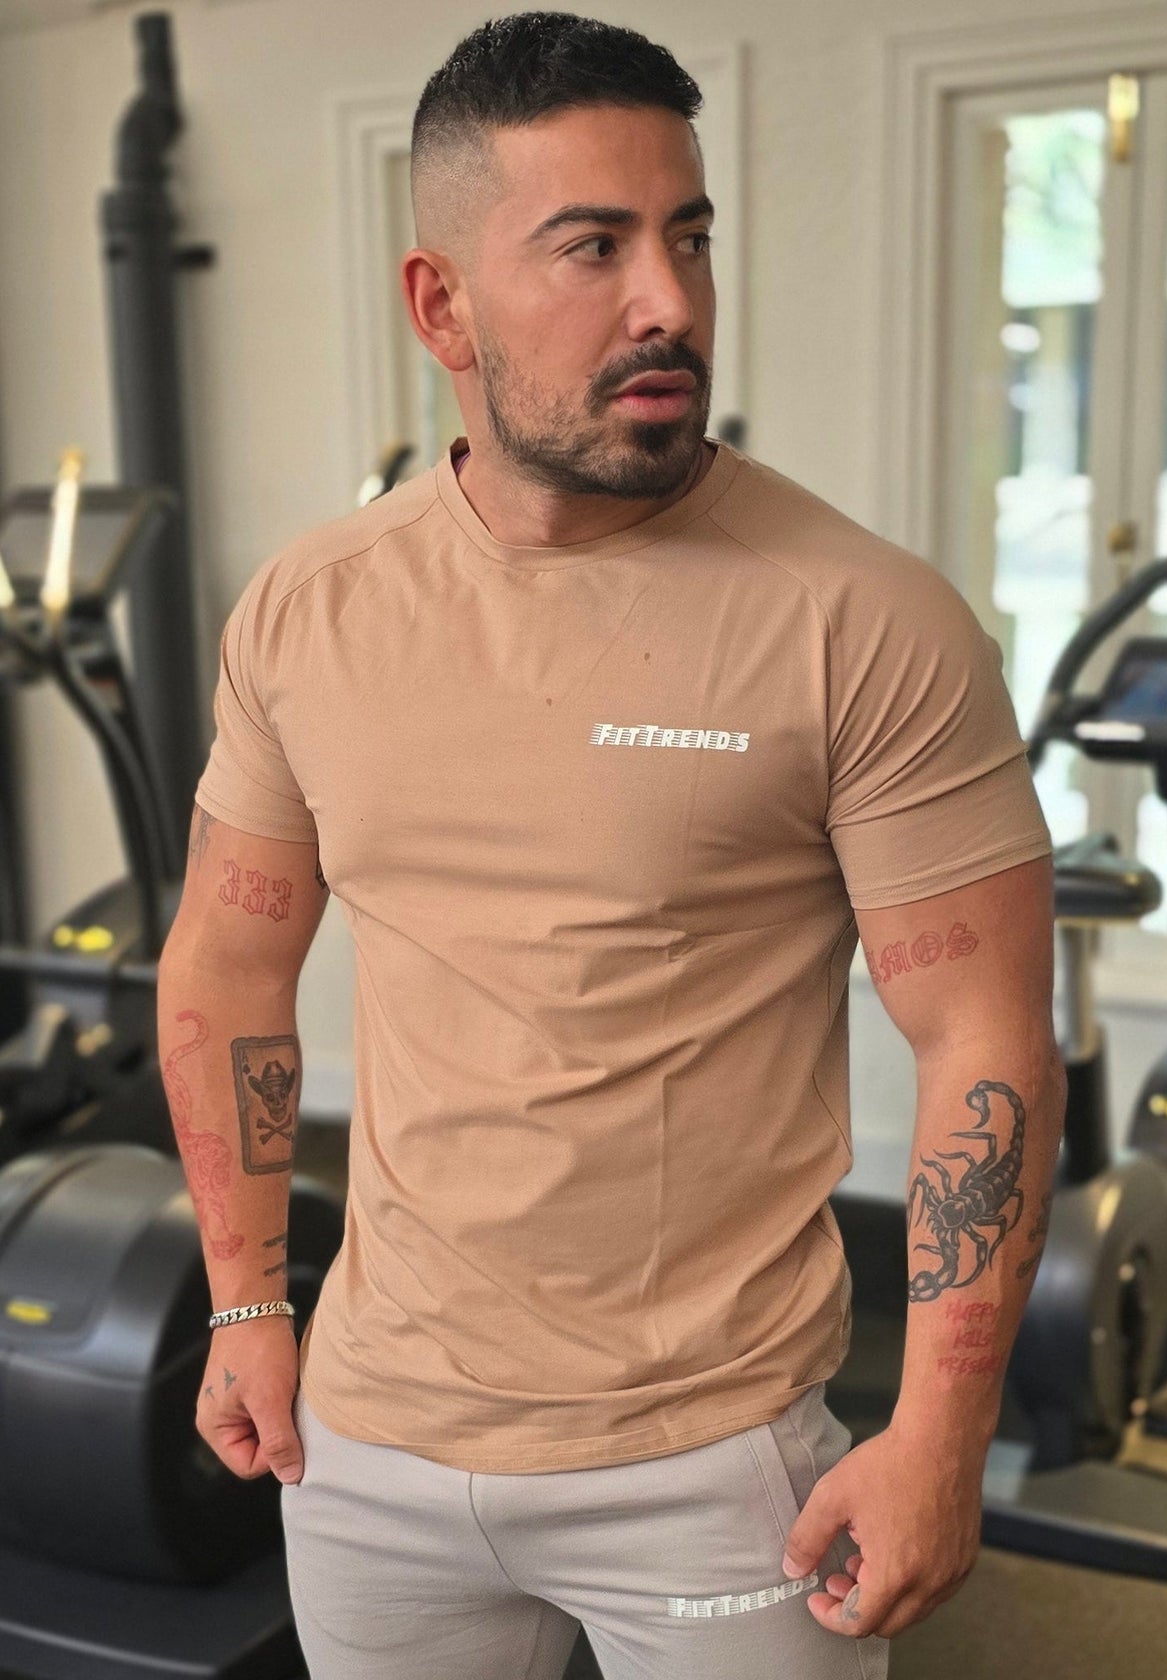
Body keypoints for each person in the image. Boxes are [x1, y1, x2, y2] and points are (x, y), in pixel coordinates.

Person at [157, 12, 1064, 1679]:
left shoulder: (861, 620)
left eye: (689, 236)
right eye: (593, 245)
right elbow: (227, 962)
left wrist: (944, 1429)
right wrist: (245, 1302)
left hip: (711, 1465)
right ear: (442, 305)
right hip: (366, 1442)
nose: (671, 300)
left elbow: (985, 1038)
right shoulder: (312, 609)